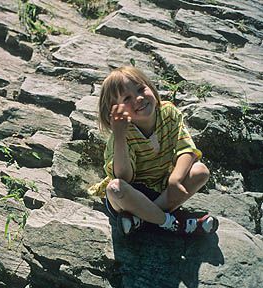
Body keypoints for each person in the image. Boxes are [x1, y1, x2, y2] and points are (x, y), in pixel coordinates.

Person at [88, 66, 218, 235]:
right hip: (134, 195)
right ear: (115, 111)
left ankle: (143, 220)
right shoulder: (122, 134)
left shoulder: (168, 112)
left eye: (141, 89)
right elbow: (125, 177)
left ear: (150, 86)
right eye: (127, 98)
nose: (139, 98)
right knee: (115, 188)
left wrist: (175, 179)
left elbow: (186, 148)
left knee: (200, 171)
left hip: (164, 187)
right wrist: (119, 135)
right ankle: (174, 223)